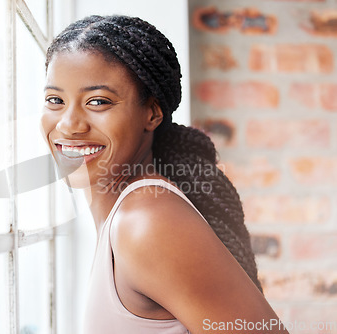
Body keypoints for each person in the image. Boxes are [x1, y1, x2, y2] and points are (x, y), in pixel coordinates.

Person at [41, 15, 289, 334]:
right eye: (55, 100)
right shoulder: (130, 215)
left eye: (98, 101)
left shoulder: (146, 222)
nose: (69, 124)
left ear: (152, 113)